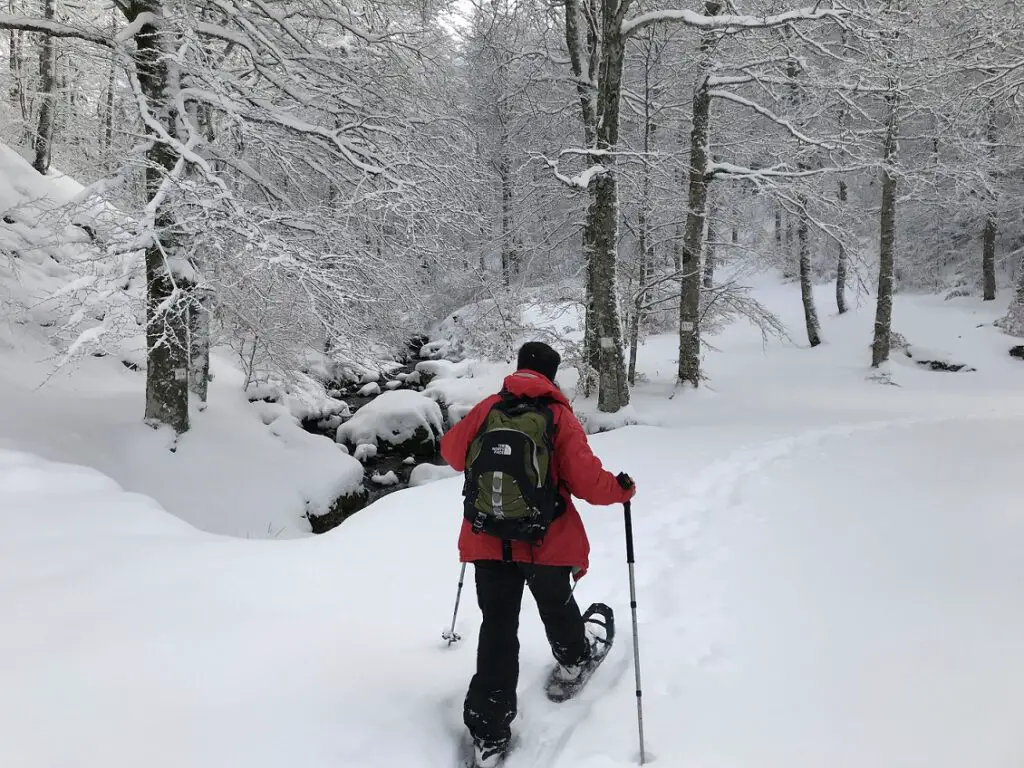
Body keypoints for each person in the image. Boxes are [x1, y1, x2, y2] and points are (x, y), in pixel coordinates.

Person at [440, 341, 636, 767]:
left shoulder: (488, 408)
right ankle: (572, 660)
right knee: (555, 603)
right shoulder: (558, 416)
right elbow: (585, 480)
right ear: (552, 374)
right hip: (545, 541)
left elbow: (452, 454)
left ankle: (489, 731)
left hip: (487, 538)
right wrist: (621, 489)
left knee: (497, 627)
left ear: (518, 369)